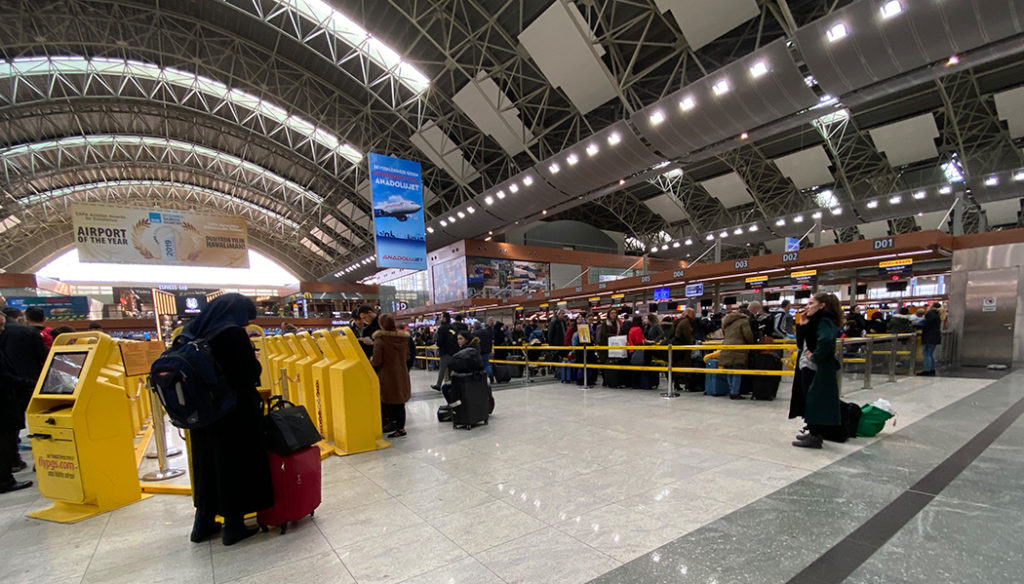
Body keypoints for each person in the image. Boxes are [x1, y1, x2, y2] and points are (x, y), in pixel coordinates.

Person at [185, 294, 273, 545]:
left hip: (202, 416)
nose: (245, 324)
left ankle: (202, 524)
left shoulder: (195, 331)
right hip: (233, 414)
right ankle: (233, 526)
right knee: (234, 465)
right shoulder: (231, 334)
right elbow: (248, 373)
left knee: (207, 466)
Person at [790, 293, 844, 449]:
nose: (807, 306)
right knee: (808, 399)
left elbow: (826, 341)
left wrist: (815, 357)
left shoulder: (824, 321)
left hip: (815, 368)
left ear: (822, 305)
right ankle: (813, 431)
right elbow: (801, 344)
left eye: (811, 303)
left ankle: (815, 436)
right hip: (807, 366)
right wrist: (802, 325)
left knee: (814, 400)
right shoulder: (814, 322)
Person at [0, 312, 46, 493]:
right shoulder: (27, 333)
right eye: (1, 325)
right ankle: (5, 479)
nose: (3, 329)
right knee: (6, 436)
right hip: (10, 394)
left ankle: (10, 466)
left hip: (12, 391)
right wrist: (29, 383)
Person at [371, 314, 411, 439]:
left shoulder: (380, 340)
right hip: (401, 373)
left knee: (388, 401)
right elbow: (408, 356)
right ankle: (401, 427)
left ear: (381, 324)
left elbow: (377, 361)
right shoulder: (403, 339)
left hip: (387, 375)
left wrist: (371, 359)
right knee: (400, 402)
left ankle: (394, 425)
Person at [720, 308, 753, 400]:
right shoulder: (743, 321)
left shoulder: (726, 321)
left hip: (726, 346)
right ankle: (735, 392)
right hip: (738, 347)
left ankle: (731, 390)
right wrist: (752, 343)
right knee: (737, 370)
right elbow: (748, 335)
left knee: (729, 370)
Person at [432, 312, 458, 390]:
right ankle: (456, 383)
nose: (440, 318)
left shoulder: (441, 328)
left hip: (445, 352)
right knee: (454, 369)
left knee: (442, 369)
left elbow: (439, 341)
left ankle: (438, 385)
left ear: (445, 318)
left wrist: (438, 344)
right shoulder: (453, 327)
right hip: (454, 351)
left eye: (441, 317)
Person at [673, 308, 696, 392]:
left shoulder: (678, 321)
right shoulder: (686, 322)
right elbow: (688, 336)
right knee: (686, 366)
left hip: (677, 346)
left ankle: (676, 384)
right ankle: (688, 385)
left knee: (677, 365)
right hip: (684, 347)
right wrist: (692, 347)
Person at [918, 302, 942, 376]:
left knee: (926, 353)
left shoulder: (930, 313)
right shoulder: (938, 314)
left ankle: (926, 370)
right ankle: (932, 369)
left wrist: (919, 325)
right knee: (930, 353)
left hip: (929, 336)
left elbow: (927, 324)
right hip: (935, 336)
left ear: (932, 306)